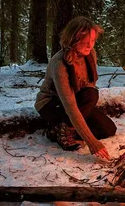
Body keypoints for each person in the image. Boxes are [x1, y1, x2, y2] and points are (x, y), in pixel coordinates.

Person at [35, 16, 116, 160]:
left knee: (108, 129)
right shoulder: (60, 64)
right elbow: (70, 105)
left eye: (92, 41)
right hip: (53, 104)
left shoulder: (90, 54)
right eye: (85, 42)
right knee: (91, 95)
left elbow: (87, 87)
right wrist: (93, 143)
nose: (90, 46)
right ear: (73, 40)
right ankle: (63, 131)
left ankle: (57, 129)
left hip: (77, 100)